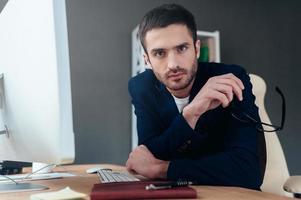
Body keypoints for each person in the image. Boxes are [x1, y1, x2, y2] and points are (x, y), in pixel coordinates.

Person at [126, 4, 266, 190]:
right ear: (147, 60)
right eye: (159, 53)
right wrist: (190, 114)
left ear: (197, 49)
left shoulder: (230, 79)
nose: (173, 64)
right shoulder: (141, 87)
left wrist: (162, 169)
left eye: (182, 48)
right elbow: (149, 153)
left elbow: (248, 171)